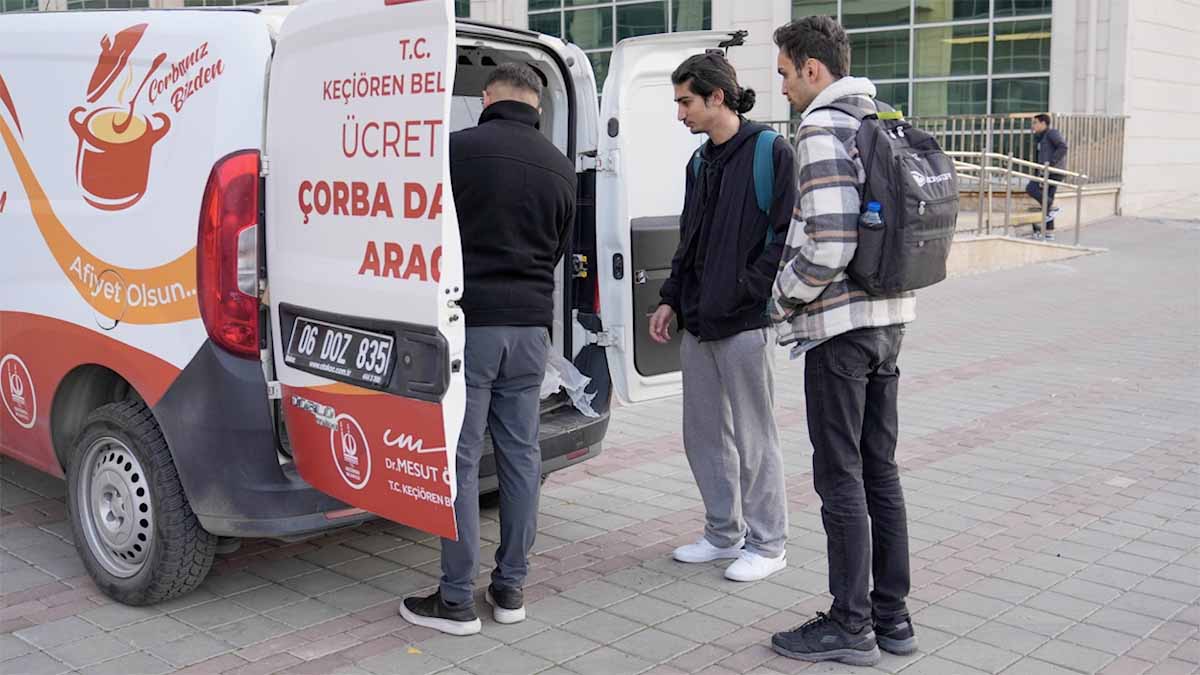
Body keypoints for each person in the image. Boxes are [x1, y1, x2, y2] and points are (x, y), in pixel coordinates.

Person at [400, 63, 575, 636]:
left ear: (487, 97)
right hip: (530, 331)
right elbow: (556, 247)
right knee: (522, 457)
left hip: (469, 327)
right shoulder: (561, 166)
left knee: (461, 459)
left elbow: (425, 231)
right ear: (538, 105)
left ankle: (454, 599)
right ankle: (510, 589)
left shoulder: (456, 151)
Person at [768, 16, 918, 667]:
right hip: (888, 321)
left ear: (812, 68)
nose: (782, 88)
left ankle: (850, 623)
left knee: (841, 476)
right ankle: (892, 616)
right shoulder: (877, 118)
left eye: (783, 74)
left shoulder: (822, 127)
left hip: (840, 329)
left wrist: (781, 298)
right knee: (879, 468)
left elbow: (828, 240)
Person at [648, 53, 796, 583]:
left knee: (754, 438)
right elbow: (689, 241)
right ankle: (722, 533)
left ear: (716, 97)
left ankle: (768, 542)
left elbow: (783, 238)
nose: (680, 113)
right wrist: (670, 298)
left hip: (745, 324)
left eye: (685, 101)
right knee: (704, 435)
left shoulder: (769, 151)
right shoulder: (698, 163)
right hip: (699, 322)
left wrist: (746, 294)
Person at [1026, 113, 1069, 240]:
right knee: (1045, 200)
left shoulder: (1052, 133)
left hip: (1053, 172)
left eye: (1035, 123)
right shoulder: (1041, 137)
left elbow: (1063, 147)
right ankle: (1049, 232)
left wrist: (1050, 164)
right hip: (1045, 172)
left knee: (1031, 188)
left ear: (1043, 123)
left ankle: (1052, 208)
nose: (1033, 126)